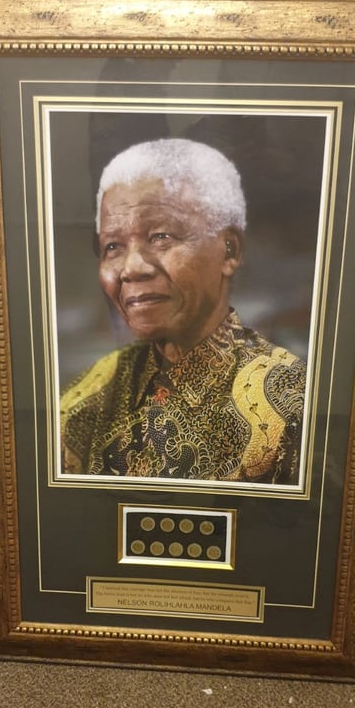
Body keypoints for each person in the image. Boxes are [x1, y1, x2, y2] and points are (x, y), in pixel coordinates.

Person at [60, 138, 306, 484]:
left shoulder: (291, 402)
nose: (131, 268)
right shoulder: (86, 402)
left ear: (229, 250)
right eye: (112, 246)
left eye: (161, 237)